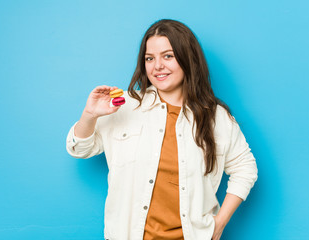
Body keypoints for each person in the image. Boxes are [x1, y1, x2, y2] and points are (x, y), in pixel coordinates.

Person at [66, 19, 258, 240]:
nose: (157, 66)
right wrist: (90, 115)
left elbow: (246, 168)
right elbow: (79, 149)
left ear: (188, 58)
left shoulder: (215, 117)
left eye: (168, 56)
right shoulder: (124, 105)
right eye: (150, 58)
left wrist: (220, 223)